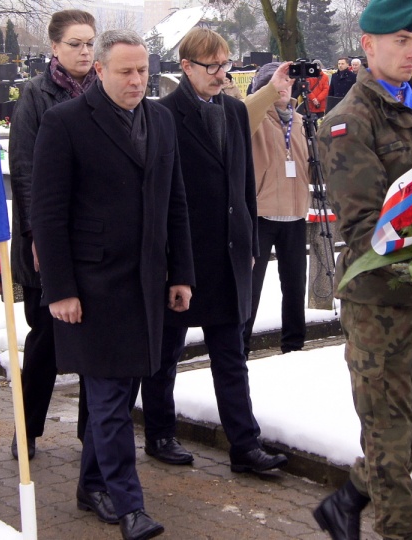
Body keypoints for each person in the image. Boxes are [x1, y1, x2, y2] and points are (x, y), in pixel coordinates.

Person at [30, 29, 194, 539]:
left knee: (121, 397)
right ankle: (130, 506)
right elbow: (48, 213)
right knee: (106, 397)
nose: (137, 80)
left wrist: (182, 273)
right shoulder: (65, 123)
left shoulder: (162, 120)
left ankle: (91, 485)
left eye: (143, 70)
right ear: (99, 70)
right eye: (125, 71)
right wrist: (59, 289)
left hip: (146, 284)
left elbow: (175, 202)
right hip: (93, 286)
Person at [313, 0, 412, 537]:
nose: (411, 52)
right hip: (377, 299)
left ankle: (347, 497)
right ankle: (398, 528)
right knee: (388, 435)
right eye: (400, 42)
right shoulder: (348, 122)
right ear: (368, 46)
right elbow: (365, 225)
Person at [142, 27, 289, 473]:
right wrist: (170, 259)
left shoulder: (232, 111)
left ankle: (244, 446)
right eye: (213, 67)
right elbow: (161, 192)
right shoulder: (164, 115)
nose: (223, 74)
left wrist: (247, 240)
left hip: (229, 254)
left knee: (231, 355)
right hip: (184, 255)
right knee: (165, 355)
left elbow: (242, 182)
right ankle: (160, 433)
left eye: (227, 64)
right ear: (186, 67)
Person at [9, 8, 98, 462]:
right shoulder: (36, 95)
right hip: (44, 241)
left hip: (93, 240)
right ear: (55, 49)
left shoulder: (103, 91)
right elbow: (24, 171)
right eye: (75, 44)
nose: (84, 52)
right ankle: (26, 431)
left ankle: (93, 436)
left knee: (95, 344)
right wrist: (36, 236)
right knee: (45, 340)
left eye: (89, 44)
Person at [241, 61, 309, 358]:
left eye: (288, 83)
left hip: (295, 214)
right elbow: (243, 115)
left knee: (294, 287)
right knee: (251, 289)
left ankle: (294, 346)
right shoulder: (254, 116)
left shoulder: (301, 120)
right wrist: (267, 93)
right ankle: (239, 346)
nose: (285, 88)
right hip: (262, 214)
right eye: (278, 83)